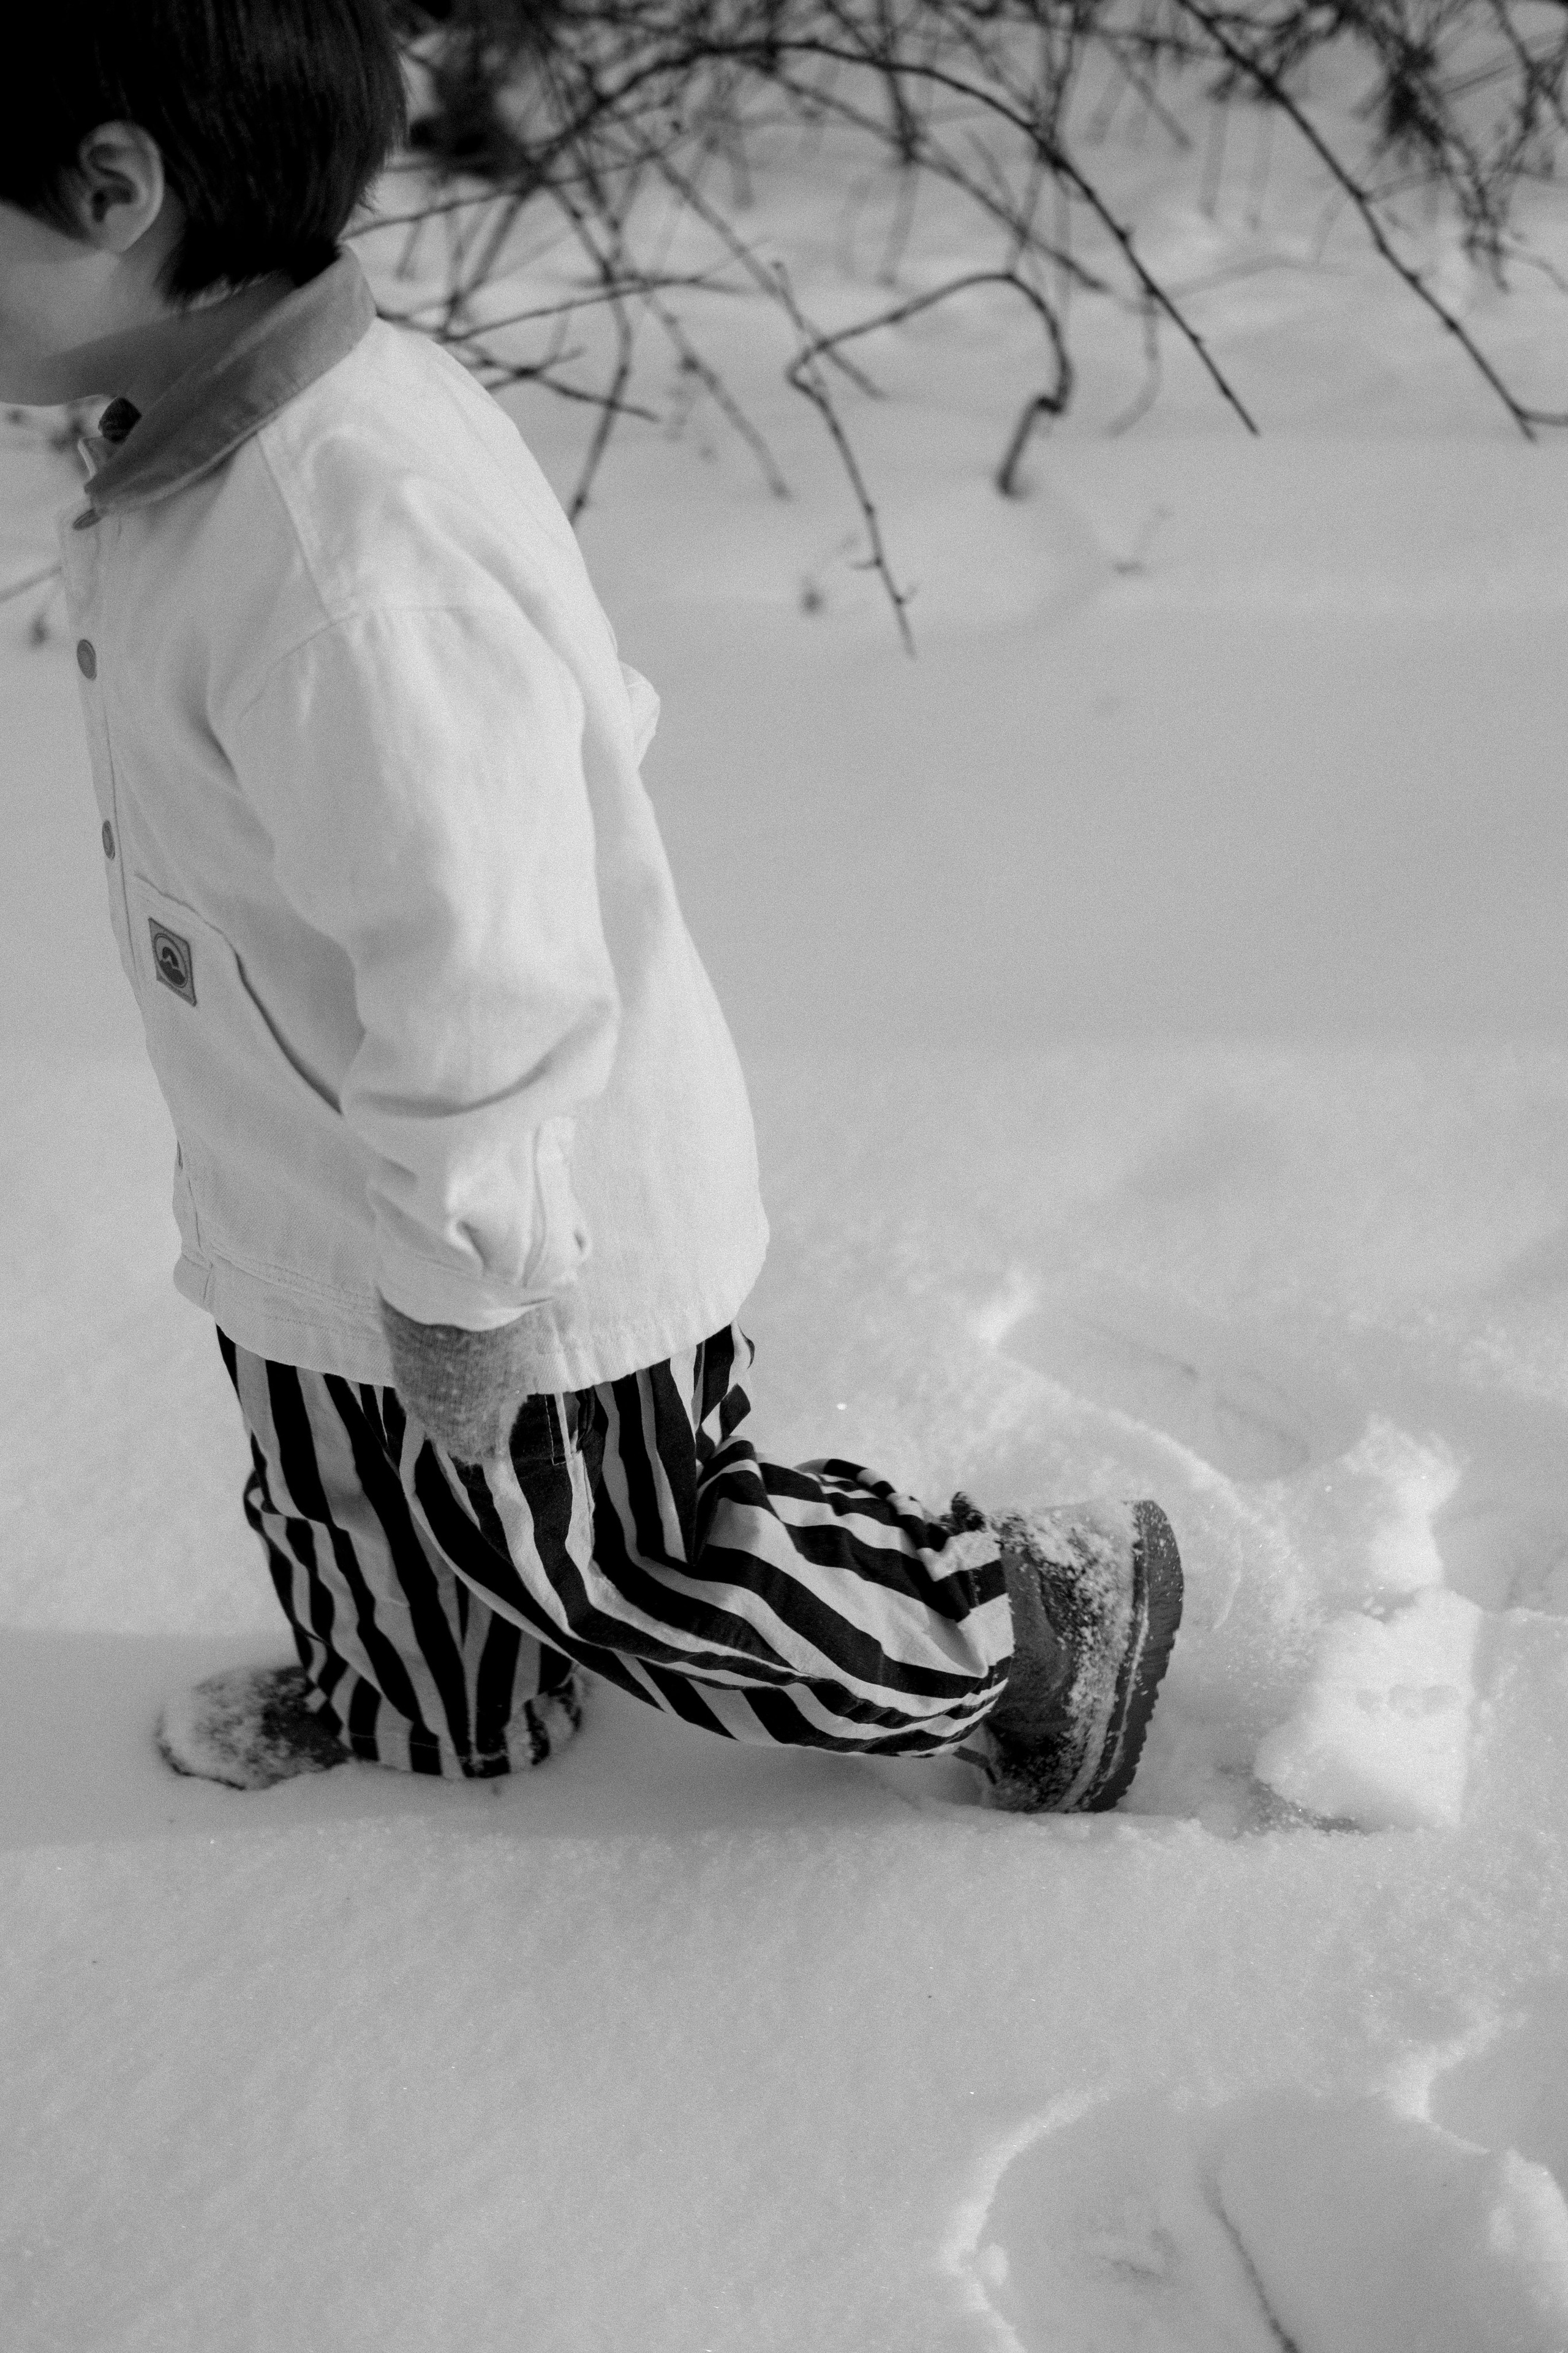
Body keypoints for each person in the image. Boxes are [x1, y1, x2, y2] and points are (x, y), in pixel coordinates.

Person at [2, 0, 1181, 1811]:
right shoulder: (196, 448)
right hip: (305, 1170)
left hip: (513, 1210)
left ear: (114, 192)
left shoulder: (339, 539)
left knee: (616, 1545)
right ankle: (429, 1707)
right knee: (344, 1479)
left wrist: (471, 1277)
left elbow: (486, 956)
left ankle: (1026, 1628)